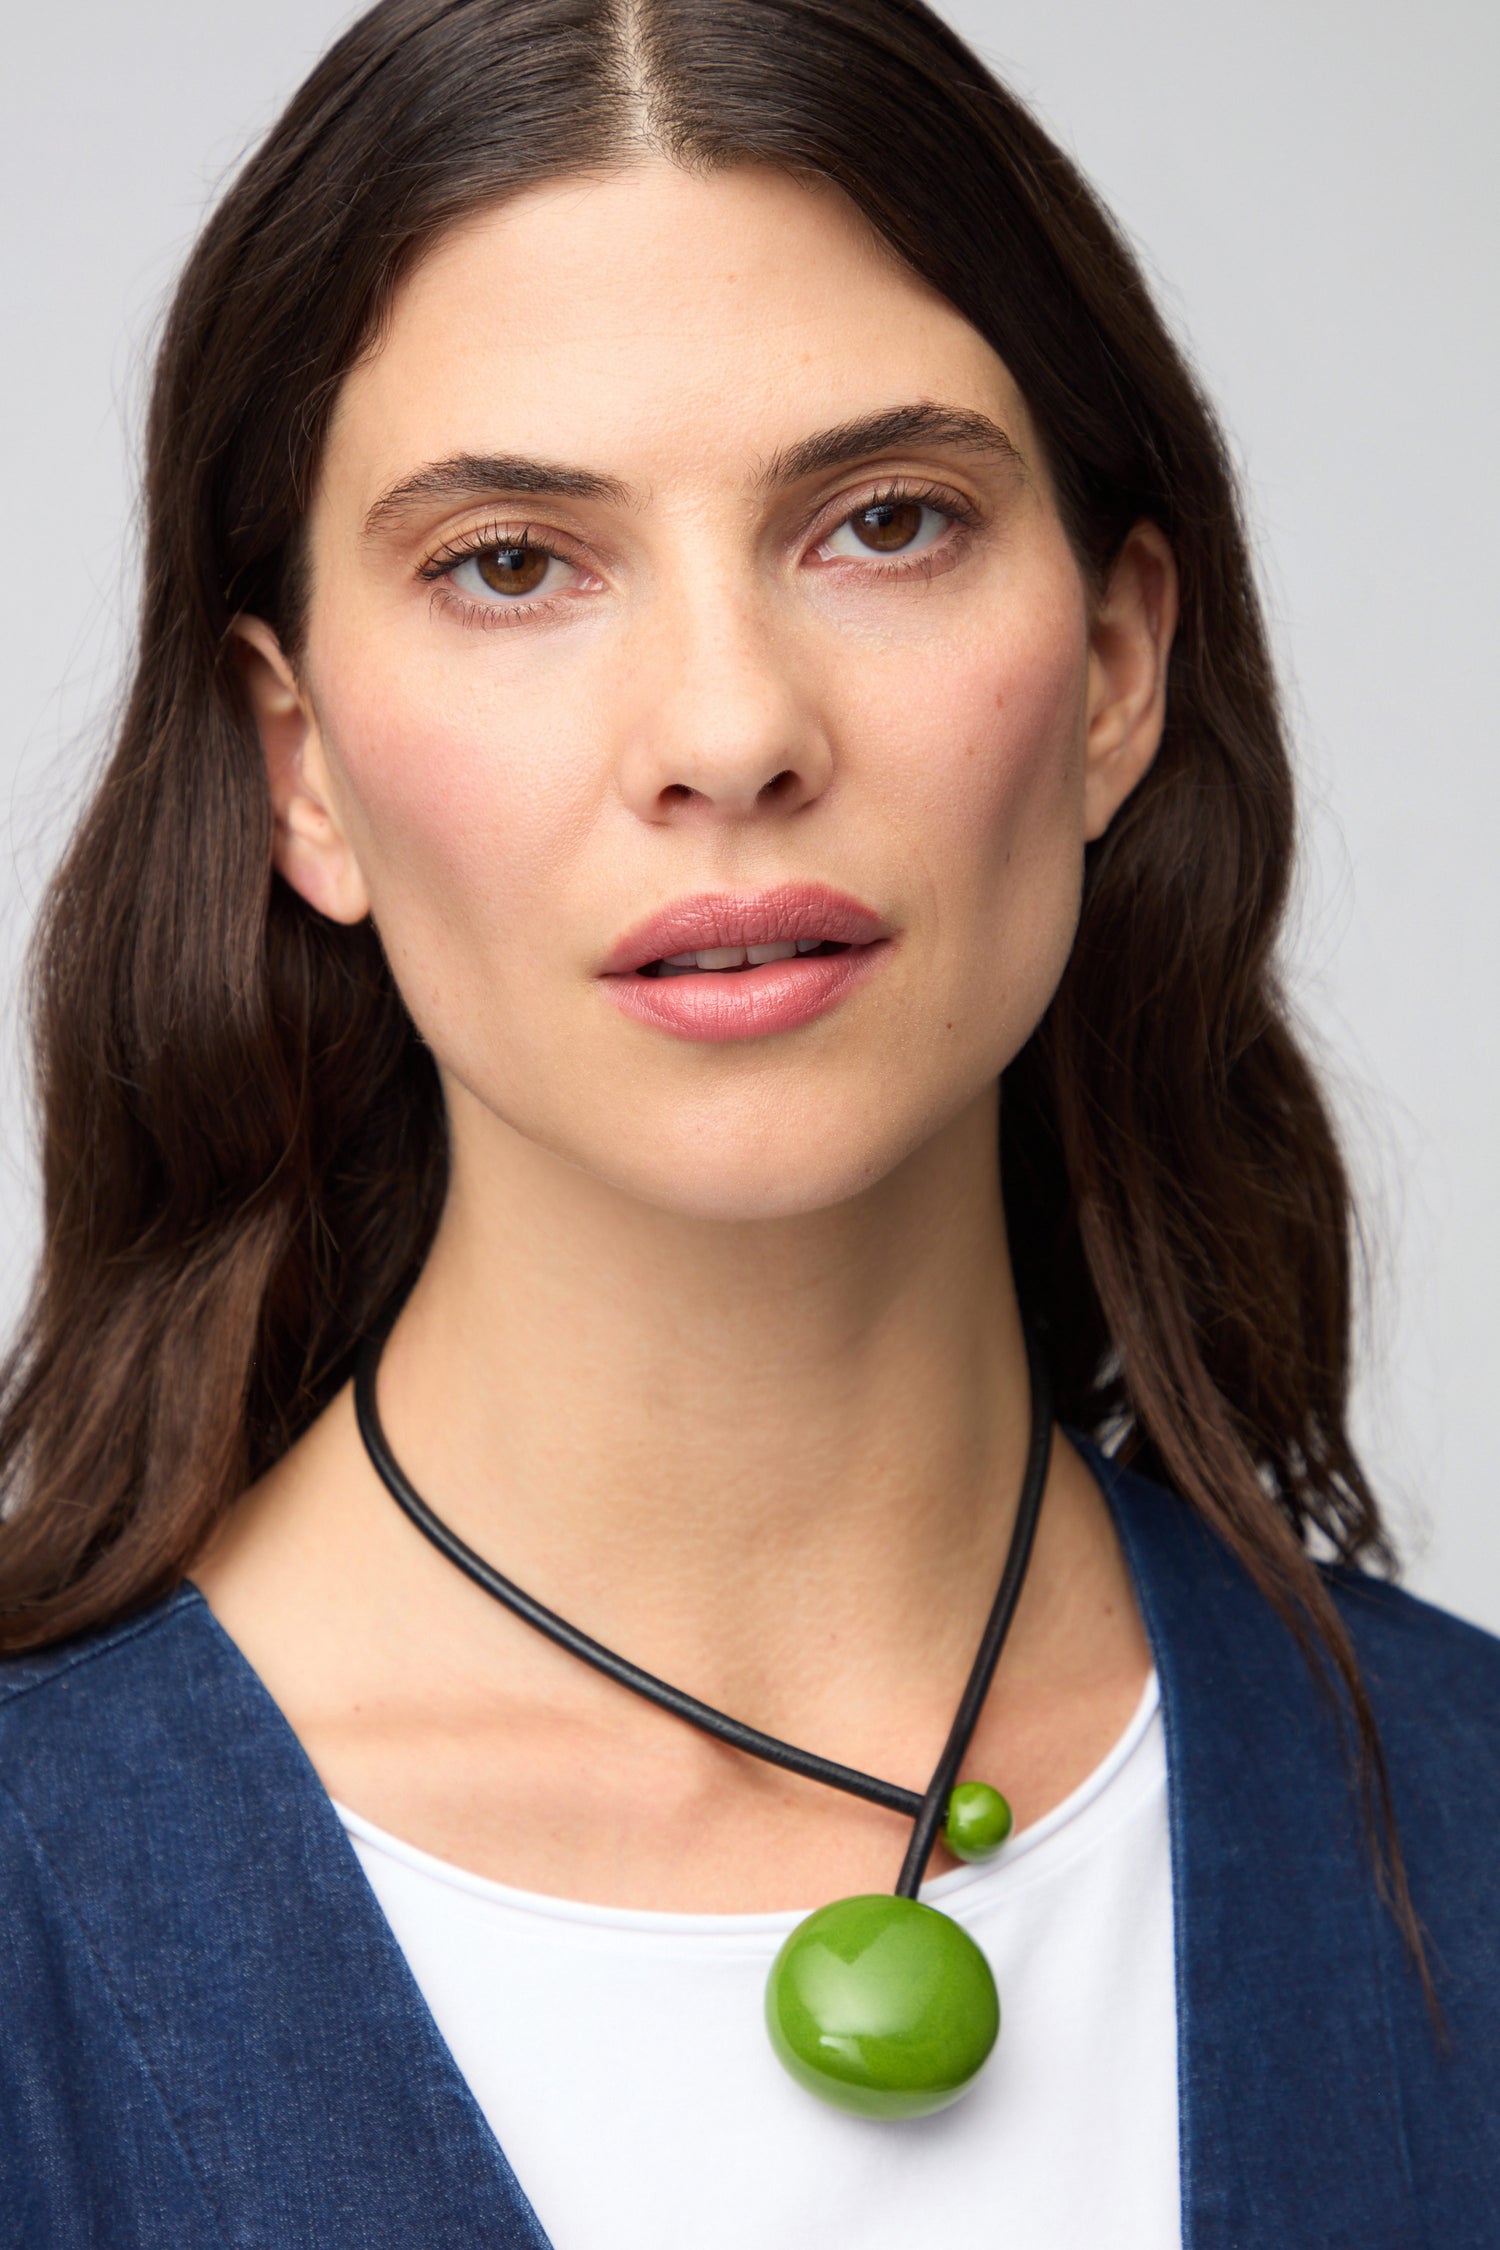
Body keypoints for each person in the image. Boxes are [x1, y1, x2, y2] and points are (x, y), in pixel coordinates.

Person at [1, 0, 1496, 2241]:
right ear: (297, 766)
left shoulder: (1463, 1828)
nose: (727, 727)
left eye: (882, 523)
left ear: (1113, 670)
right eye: (513, 560)